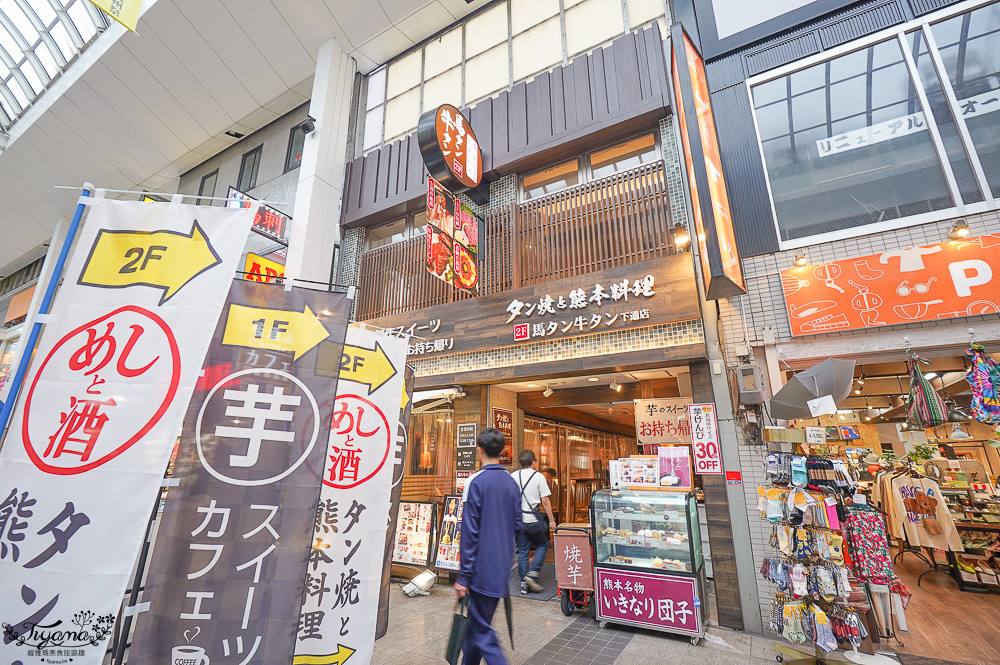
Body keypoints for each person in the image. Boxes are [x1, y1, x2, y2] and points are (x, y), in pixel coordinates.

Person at [456, 428, 521, 665]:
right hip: (501, 568)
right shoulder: (511, 483)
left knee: (482, 632)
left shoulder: (476, 482)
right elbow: (518, 525)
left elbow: (469, 533)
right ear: (502, 451)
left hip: (480, 571)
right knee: (476, 627)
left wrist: (463, 576)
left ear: (479, 450)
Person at [510, 450, 556, 594]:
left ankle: (524, 583)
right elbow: (545, 501)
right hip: (534, 518)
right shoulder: (538, 477)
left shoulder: (513, 476)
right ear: (533, 462)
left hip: (519, 519)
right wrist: (551, 520)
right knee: (543, 544)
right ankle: (533, 573)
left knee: (522, 551)